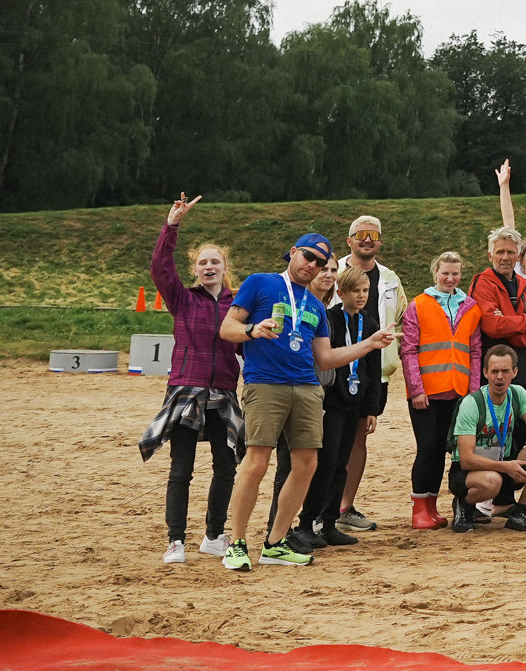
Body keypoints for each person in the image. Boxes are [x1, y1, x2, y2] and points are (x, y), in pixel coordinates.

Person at [217, 234, 394, 569]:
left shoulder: (315, 306)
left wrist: (370, 344)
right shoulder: (260, 283)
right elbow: (228, 328)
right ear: (294, 253)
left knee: (307, 465)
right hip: (266, 384)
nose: (311, 266)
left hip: (309, 388)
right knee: (256, 462)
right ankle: (237, 543)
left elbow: (326, 359)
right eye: (308, 257)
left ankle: (275, 543)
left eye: (319, 262)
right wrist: (253, 330)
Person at [141, 196, 241, 564]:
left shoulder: (239, 303)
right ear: (196, 270)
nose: (209, 266)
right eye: (202, 262)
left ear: (225, 267)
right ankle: (176, 541)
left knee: (226, 466)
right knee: (181, 468)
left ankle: (214, 536)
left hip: (225, 392)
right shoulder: (182, 299)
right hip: (186, 388)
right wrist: (172, 226)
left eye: (215, 261)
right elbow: (160, 268)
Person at [397, 250, 484, 531]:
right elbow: (408, 350)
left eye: (455, 273)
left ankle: (439, 507)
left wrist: (472, 392)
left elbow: (475, 351)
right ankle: (421, 508)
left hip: (459, 393)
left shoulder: (471, 307)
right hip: (427, 394)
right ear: (435, 272)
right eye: (445, 272)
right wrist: (416, 389)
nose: (450, 278)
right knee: (429, 450)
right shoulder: (418, 305)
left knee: (456, 451)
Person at [304, 266, 386, 548]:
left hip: (356, 401)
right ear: (341, 293)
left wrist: (371, 408)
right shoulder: (330, 318)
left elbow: (373, 370)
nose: (362, 296)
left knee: (342, 463)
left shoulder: (370, 322)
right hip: (332, 400)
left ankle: (330, 522)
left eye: (365, 291)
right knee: (326, 462)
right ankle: (308, 521)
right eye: (356, 291)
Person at [333, 213, 403, 533]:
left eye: (373, 236)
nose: (367, 240)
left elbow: (400, 314)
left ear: (380, 243)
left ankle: (345, 506)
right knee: (330, 436)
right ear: (349, 241)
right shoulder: (332, 272)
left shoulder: (389, 278)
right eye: (360, 235)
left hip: (374, 371)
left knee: (359, 435)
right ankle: (323, 505)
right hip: (334, 366)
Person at [450, 343, 526, 533]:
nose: (500, 377)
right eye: (495, 371)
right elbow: (466, 460)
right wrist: (506, 467)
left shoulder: (518, 393)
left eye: (505, 371)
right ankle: (464, 504)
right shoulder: (471, 403)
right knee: (493, 481)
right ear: (485, 373)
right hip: (470, 472)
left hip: (504, 463)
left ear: (514, 372)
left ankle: (520, 511)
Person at [472, 225, 526, 394]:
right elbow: (493, 326)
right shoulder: (482, 283)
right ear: (490, 256)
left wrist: (507, 322)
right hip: (495, 372)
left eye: (511, 252)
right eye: (500, 252)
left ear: (519, 256)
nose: (505, 257)